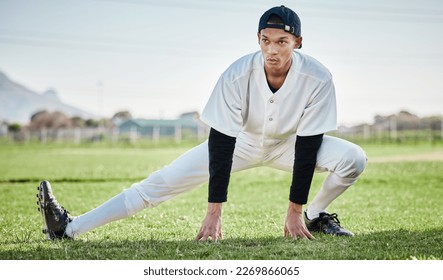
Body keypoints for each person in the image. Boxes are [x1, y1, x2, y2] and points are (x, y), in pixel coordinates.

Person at [37, 5, 367, 242]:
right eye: (266, 40)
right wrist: (214, 212)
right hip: (239, 144)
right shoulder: (237, 73)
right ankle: (68, 227)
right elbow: (222, 143)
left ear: (297, 42)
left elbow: (309, 146)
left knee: (353, 159)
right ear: (258, 39)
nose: (272, 49)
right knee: (157, 184)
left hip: (290, 147)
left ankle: (315, 214)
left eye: (282, 41)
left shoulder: (318, 77)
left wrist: (295, 209)